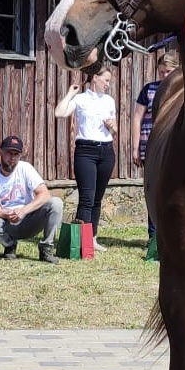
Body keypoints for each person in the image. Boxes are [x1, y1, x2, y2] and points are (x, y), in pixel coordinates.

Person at [55, 68, 117, 253]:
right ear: (95, 78)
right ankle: (82, 240)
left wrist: (113, 127)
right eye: (105, 80)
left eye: (109, 81)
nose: (108, 84)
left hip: (106, 150)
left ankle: (92, 238)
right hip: (86, 151)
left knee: (97, 198)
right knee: (87, 198)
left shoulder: (109, 101)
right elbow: (59, 113)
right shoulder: (80, 99)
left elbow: (114, 131)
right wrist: (70, 93)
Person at [0, 135, 63, 264]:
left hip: (30, 217)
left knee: (56, 203)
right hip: (7, 221)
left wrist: (23, 210)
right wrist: (6, 214)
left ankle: (46, 248)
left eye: (16, 154)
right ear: (0, 152)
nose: (12, 158)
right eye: (8, 153)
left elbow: (44, 194)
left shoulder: (25, 168)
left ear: (20, 155)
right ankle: (9, 245)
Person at [131, 50, 179, 255]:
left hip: (175, 145)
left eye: (168, 72)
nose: (164, 76)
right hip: (151, 144)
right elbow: (137, 118)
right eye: (161, 72)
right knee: (154, 188)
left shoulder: (182, 91)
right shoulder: (149, 90)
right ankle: (153, 236)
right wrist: (135, 146)